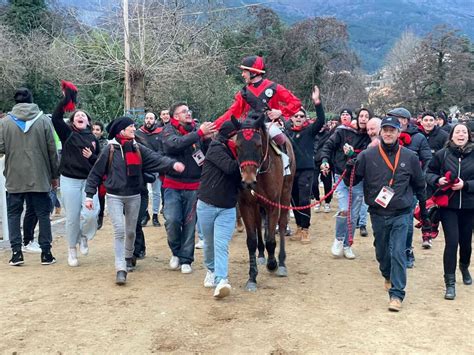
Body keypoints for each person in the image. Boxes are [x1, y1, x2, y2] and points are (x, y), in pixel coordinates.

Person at [85, 116, 184, 285]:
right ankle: (120, 268)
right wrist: (89, 195)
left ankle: (129, 255)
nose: (134, 128)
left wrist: (172, 164)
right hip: (114, 195)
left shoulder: (138, 148)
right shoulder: (109, 149)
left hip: (134, 195)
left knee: (131, 231)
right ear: (121, 130)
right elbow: (95, 173)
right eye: (131, 126)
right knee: (119, 231)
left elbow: (155, 158)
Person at [348, 116, 429, 312]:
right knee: (382, 252)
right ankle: (387, 274)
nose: (388, 133)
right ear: (380, 132)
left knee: (398, 251)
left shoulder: (409, 157)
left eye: (392, 130)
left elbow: (420, 185)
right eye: (385, 129)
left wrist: (425, 212)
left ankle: (397, 294)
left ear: (399, 132)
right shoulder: (367, 155)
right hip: (377, 212)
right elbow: (351, 181)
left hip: (402, 211)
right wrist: (348, 167)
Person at [0, 88, 59, 265]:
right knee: (42, 214)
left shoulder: (5, 123)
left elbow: (1, 147)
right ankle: (46, 253)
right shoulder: (43, 120)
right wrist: (54, 175)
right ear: (32, 100)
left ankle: (16, 253)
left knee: (13, 214)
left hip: (14, 175)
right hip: (40, 175)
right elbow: (52, 151)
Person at [214, 55, 301, 175]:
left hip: (268, 124)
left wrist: (280, 112)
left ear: (253, 73)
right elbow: (232, 112)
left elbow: (295, 103)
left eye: (244, 71)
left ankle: (285, 167)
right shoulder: (243, 93)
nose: (242, 75)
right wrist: (214, 126)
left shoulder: (275, 88)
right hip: (248, 127)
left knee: (280, 137)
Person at [51, 81, 101, 267]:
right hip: (69, 180)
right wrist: (66, 99)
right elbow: (56, 118)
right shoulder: (67, 134)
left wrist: (92, 156)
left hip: (89, 181)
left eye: (83, 116)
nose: (80, 116)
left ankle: (85, 237)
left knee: (91, 214)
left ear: (88, 121)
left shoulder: (93, 138)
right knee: (72, 217)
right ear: (72, 122)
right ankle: (72, 249)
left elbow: (100, 161)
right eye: (77, 115)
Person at [162, 102, 216, 274]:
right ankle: (175, 252)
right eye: (183, 111)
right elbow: (174, 145)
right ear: (175, 116)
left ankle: (186, 259)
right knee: (172, 220)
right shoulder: (168, 131)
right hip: (172, 184)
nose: (188, 113)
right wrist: (199, 134)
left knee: (190, 223)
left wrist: (208, 140)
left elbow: (207, 155)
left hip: (194, 185)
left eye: (188, 111)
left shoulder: (198, 130)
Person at [426, 123, 474, 300]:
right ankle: (450, 283)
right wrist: (438, 180)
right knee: (452, 242)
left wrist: (466, 185)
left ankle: (464, 266)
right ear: (451, 135)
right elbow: (428, 173)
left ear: (469, 135)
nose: (460, 134)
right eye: (457, 132)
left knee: (466, 243)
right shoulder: (442, 154)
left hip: (469, 206)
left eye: (464, 132)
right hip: (448, 206)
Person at [197, 121, 241, 298]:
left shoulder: (237, 151)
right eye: (238, 135)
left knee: (221, 244)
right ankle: (211, 269)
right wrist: (245, 157)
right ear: (231, 135)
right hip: (206, 205)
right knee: (209, 243)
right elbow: (231, 168)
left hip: (227, 208)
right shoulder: (216, 148)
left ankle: (222, 279)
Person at [320, 107, 371, 259]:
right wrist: (324, 161)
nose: (363, 118)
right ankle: (339, 239)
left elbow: (369, 154)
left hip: (360, 179)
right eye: (361, 115)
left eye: (366, 116)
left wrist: (353, 153)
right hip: (342, 175)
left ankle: (348, 244)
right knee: (344, 209)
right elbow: (328, 146)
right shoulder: (342, 131)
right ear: (357, 117)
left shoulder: (370, 137)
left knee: (354, 214)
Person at [387, 107, 432, 268]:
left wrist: (420, 177)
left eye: (396, 118)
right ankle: (391, 251)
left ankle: (406, 250)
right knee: (387, 221)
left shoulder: (418, 138)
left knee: (405, 221)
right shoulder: (387, 135)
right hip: (388, 186)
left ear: (405, 120)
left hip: (410, 187)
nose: (392, 122)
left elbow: (428, 160)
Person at [286, 86, 325, 244]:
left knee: (303, 200)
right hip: (291, 171)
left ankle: (306, 229)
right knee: (294, 200)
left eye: (302, 116)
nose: (299, 118)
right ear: (292, 118)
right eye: (296, 116)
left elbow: (321, 120)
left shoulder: (309, 130)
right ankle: (298, 227)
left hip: (306, 170)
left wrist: (317, 102)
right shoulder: (287, 132)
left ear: (305, 118)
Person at [136, 111, 163, 227]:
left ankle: (155, 215)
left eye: (151, 118)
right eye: (147, 118)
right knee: (143, 191)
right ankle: (145, 214)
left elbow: (163, 148)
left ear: (155, 120)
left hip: (156, 166)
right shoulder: (138, 133)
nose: (148, 120)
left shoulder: (160, 133)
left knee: (156, 192)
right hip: (142, 167)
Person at [312, 116, 339, 213]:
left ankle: (327, 202)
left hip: (326, 162)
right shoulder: (312, 134)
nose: (321, 127)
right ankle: (317, 200)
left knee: (327, 184)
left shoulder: (329, 134)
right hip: (313, 162)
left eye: (323, 124)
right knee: (314, 183)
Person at [92, 121, 108, 229]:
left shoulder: (105, 143)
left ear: (101, 132)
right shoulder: (86, 140)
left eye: (97, 130)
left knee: (100, 196)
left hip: (101, 174)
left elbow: (102, 159)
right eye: (93, 129)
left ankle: (100, 216)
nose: (95, 132)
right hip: (89, 173)